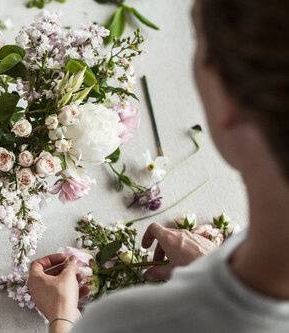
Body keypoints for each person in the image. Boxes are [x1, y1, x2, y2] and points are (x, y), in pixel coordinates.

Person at [26, 0, 289, 332]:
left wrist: (63, 317)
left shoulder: (133, 321)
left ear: (231, 106)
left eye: (199, 44)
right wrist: (213, 267)